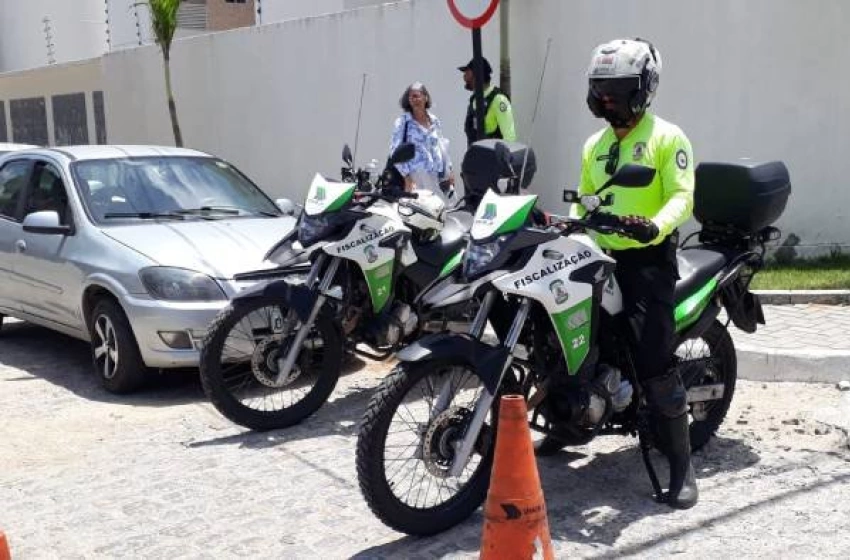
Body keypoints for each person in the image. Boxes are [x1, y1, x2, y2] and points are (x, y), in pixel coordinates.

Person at [578, 38, 698, 509]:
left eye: (617, 88)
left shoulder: (668, 138)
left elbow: (682, 196)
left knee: (652, 354)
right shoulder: (596, 144)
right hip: (601, 254)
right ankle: (570, 419)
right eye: (600, 89)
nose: (607, 98)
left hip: (647, 258)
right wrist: (573, 222)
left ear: (643, 88)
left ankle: (682, 465)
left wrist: (655, 224)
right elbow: (585, 197)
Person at [389, 82, 455, 202]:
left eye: (416, 96)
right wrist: (407, 178)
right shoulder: (403, 122)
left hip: (437, 178)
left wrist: (449, 170)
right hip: (416, 178)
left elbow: (442, 147)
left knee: (443, 212)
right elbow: (395, 151)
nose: (413, 100)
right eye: (410, 97)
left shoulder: (434, 120)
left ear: (425, 97)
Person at [458, 57, 517, 146]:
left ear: (478, 75)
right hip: (475, 156)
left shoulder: (498, 99)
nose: (464, 77)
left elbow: (509, 136)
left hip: (492, 157)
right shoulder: (474, 100)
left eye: (468, 73)